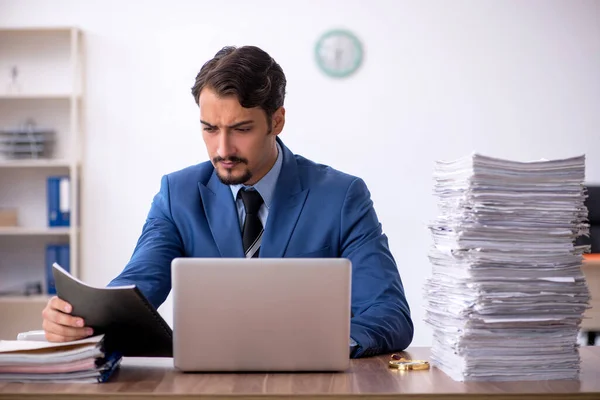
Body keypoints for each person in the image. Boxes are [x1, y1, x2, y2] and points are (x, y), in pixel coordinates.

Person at [41, 45, 414, 358]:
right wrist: (82, 321)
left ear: (277, 121)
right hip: (207, 386)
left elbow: (389, 315)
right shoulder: (178, 194)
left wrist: (314, 347)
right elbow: (136, 288)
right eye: (209, 129)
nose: (222, 149)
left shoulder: (341, 196)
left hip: (313, 384)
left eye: (241, 129)